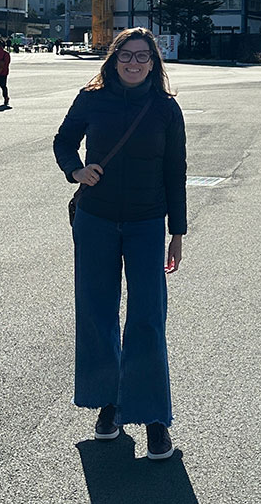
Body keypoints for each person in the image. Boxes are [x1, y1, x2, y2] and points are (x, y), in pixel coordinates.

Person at [53, 27, 186, 460]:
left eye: (142, 56)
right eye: (125, 55)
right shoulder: (92, 98)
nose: (133, 63)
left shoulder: (166, 109)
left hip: (147, 224)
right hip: (96, 221)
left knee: (147, 317)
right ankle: (108, 403)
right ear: (113, 59)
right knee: (97, 312)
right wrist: (76, 170)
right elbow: (63, 141)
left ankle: (153, 419)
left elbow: (176, 173)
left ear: (154, 62)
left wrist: (177, 233)